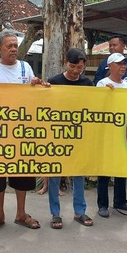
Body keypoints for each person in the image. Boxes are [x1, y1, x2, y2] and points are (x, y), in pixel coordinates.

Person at [0, 29, 49, 232]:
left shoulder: (26, 68)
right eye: (9, 46)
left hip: (21, 132)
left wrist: (37, 85)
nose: (14, 49)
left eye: (16, 45)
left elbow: (33, 98)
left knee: (23, 173)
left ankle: (21, 213)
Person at [46, 48, 94, 229]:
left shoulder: (88, 84)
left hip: (79, 135)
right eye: (72, 66)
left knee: (79, 173)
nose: (75, 70)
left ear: (84, 66)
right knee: (54, 174)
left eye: (79, 67)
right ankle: (55, 214)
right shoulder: (54, 82)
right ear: (65, 62)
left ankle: (79, 212)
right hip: (57, 135)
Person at [96, 52, 127, 217]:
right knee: (104, 169)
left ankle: (120, 200)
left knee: (121, 169)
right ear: (110, 66)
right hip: (107, 133)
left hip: (122, 132)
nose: (123, 67)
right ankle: (103, 204)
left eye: (124, 64)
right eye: (119, 64)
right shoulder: (102, 83)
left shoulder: (126, 85)